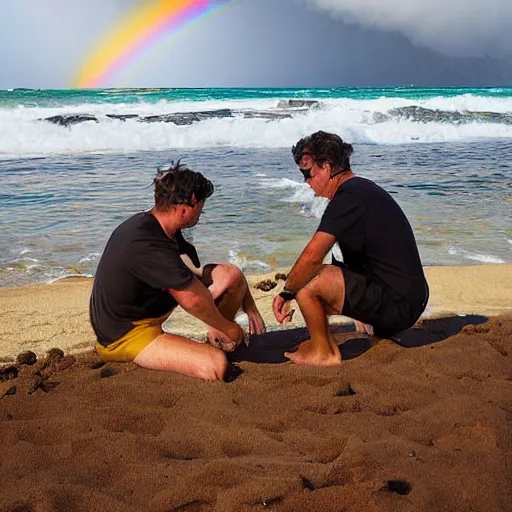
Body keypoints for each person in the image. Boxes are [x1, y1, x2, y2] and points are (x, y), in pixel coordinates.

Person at [90, 161, 265, 381]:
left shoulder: (163, 227)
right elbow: (191, 298)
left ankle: (216, 339)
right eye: (201, 205)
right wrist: (229, 328)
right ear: (188, 205)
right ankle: (215, 344)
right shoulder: (147, 241)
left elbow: (195, 274)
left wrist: (249, 305)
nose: (201, 212)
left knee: (230, 274)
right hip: (125, 336)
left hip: (147, 314)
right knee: (216, 366)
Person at [272, 131, 429, 367]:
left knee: (308, 281)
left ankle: (324, 353)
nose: (306, 181)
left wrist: (287, 293)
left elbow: (312, 256)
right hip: (407, 297)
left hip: (400, 305)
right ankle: (340, 335)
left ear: (326, 166)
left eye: (308, 173)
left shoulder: (348, 198)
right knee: (319, 281)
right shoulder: (360, 190)